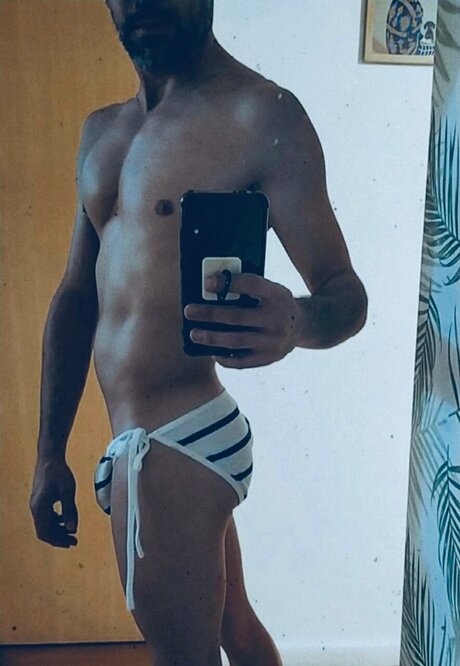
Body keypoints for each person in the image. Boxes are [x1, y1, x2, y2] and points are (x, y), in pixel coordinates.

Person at [29, 1, 368, 665]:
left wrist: (298, 321)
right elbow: (75, 297)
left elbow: (344, 295)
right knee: (238, 636)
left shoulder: (261, 114)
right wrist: (49, 452)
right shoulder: (101, 131)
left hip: (171, 445)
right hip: (157, 441)